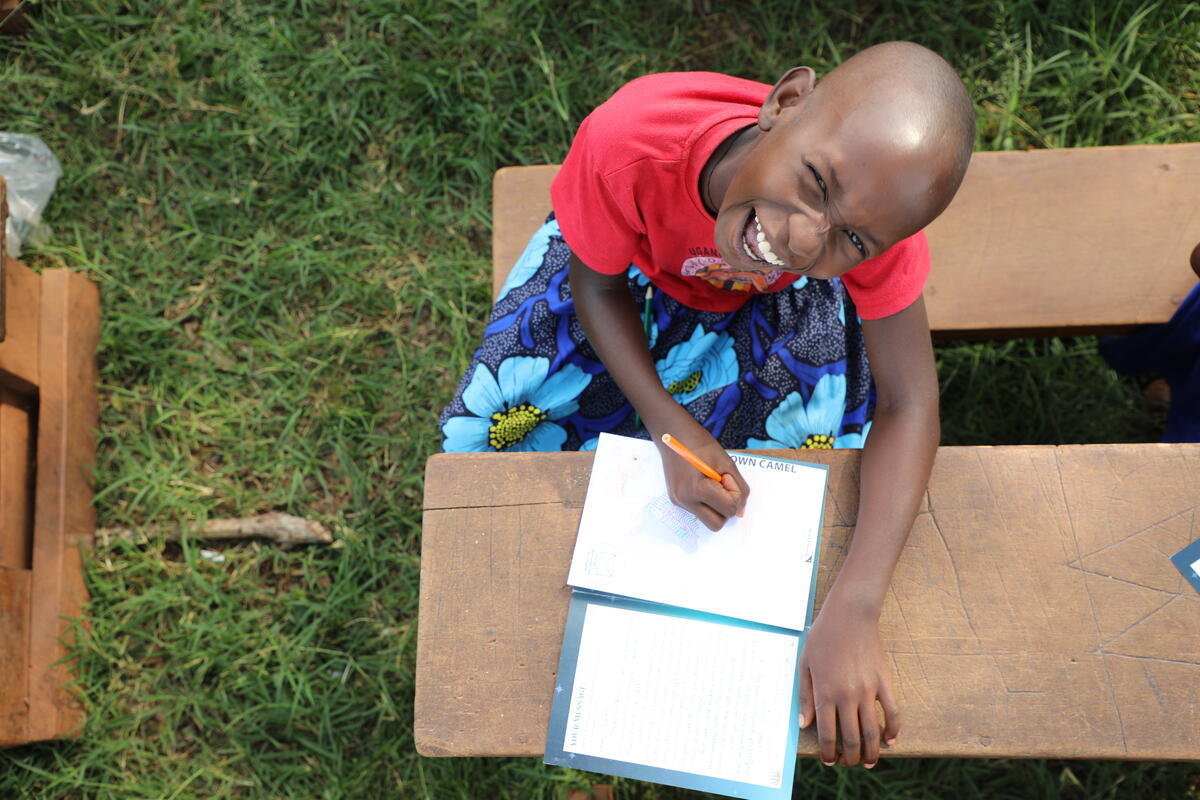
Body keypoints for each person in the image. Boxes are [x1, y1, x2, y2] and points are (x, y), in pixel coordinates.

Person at [440, 41, 975, 768]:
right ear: (784, 103)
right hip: (625, 288)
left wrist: (855, 606)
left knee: (793, 487)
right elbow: (595, 289)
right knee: (501, 444)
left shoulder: (870, 221)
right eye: (816, 182)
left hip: (776, 313)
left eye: (852, 239)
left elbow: (911, 401)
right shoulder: (631, 141)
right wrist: (669, 425)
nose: (800, 238)